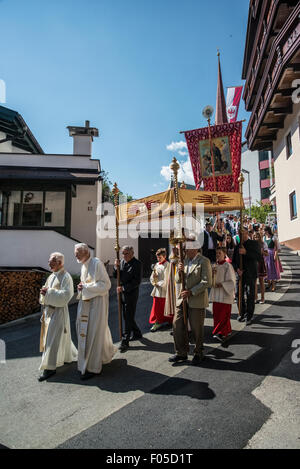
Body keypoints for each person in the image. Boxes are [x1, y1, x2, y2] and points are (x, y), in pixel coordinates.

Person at [75, 243, 117, 380]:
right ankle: (100, 357)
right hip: (86, 304)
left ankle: (93, 367)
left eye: (78, 252)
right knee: (87, 333)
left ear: (86, 252)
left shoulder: (96, 263)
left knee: (93, 333)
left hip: (97, 305)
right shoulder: (83, 266)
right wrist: (82, 288)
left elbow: (106, 285)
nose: (75, 255)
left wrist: (85, 287)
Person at [169, 235, 212, 365]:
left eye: (187, 247)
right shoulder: (184, 260)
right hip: (182, 299)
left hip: (196, 299)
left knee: (196, 328)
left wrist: (191, 292)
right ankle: (181, 353)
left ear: (195, 248)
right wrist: (179, 271)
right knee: (177, 325)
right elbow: (177, 280)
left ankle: (198, 352)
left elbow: (207, 282)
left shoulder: (204, 261)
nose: (184, 250)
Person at [38, 252, 77, 382]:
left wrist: (48, 292)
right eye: (49, 261)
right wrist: (45, 293)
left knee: (51, 340)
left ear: (59, 263)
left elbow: (67, 295)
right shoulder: (52, 276)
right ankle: (66, 357)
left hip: (59, 312)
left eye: (51, 262)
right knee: (60, 338)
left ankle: (49, 368)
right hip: (49, 312)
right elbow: (46, 290)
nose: (49, 264)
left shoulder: (66, 277)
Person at [114, 245, 142, 352]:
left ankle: (125, 341)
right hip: (121, 294)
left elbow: (137, 281)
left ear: (132, 253)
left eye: (126, 253)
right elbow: (116, 276)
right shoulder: (121, 262)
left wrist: (124, 288)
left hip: (131, 294)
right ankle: (137, 333)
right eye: (123, 254)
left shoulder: (137, 264)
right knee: (127, 316)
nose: (124, 256)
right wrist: (115, 267)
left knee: (128, 316)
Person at [232, 228, 261, 325]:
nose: (241, 236)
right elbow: (233, 262)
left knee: (249, 294)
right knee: (238, 294)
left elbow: (259, 257)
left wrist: (246, 253)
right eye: (239, 234)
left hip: (250, 273)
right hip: (240, 275)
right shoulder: (237, 247)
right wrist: (237, 269)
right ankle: (242, 312)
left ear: (247, 233)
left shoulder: (254, 244)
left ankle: (249, 315)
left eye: (243, 233)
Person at [210, 247, 236, 342]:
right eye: (216, 253)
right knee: (217, 314)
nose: (217, 255)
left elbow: (232, 281)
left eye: (219, 253)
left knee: (223, 315)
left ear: (224, 254)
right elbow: (211, 279)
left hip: (225, 293)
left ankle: (222, 333)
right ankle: (226, 330)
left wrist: (222, 284)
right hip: (216, 293)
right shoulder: (214, 266)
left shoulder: (227, 266)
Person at [149, 248, 173, 331]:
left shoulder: (168, 265)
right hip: (157, 290)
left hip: (164, 289)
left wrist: (159, 283)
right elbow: (152, 275)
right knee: (157, 307)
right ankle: (157, 322)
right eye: (157, 257)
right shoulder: (156, 264)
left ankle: (170, 321)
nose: (158, 259)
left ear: (164, 256)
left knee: (166, 307)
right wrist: (153, 281)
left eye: (160, 257)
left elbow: (167, 278)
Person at [264, 226, 281, 291]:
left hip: (271, 254)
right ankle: (268, 284)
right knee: (266, 269)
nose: (264, 232)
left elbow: (276, 248)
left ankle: (273, 285)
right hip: (265, 254)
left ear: (268, 231)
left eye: (265, 231)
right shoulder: (264, 238)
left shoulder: (273, 237)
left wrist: (275, 255)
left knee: (272, 269)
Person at [253, 231, 268, 304]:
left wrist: (262, 252)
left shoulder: (263, 244)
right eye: (255, 236)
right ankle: (255, 297)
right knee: (254, 282)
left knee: (261, 281)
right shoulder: (252, 244)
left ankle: (263, 298)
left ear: (260, 237)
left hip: (261, 263)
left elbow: (267, 254)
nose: (256, 238)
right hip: (253, 263)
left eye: (257, 236)